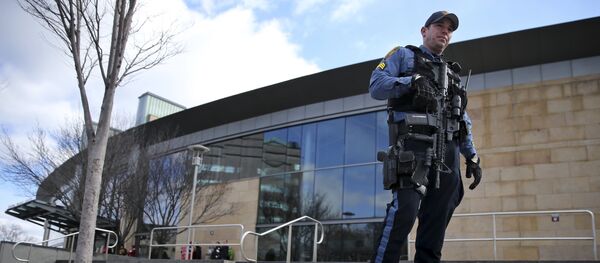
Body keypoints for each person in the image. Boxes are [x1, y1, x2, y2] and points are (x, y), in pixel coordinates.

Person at [369, 11, 482, 263]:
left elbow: (462, 119)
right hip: (413, 145)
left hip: (448, 152)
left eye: (449, 29)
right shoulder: (403, 55)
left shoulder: (452, 74)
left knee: (436, 222)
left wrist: (472, 157)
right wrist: (412, 81)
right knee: (405, 212)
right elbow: (376, 86)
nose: (445, 31)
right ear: (424, 30)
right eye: (439, 26)